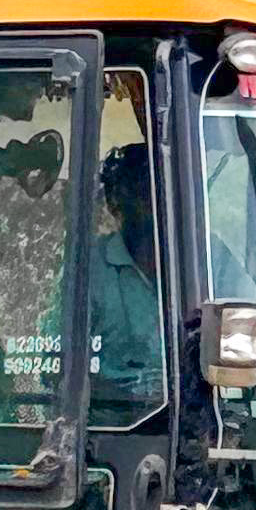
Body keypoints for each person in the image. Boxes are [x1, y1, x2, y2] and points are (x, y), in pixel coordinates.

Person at [88, 135, 169, 416]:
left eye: (152, 193)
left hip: (200, 427)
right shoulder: (90, 269)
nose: (145, 206)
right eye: (132, 195)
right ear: (112, 205)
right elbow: (55, 368)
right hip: (112, 434)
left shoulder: (211, 258)